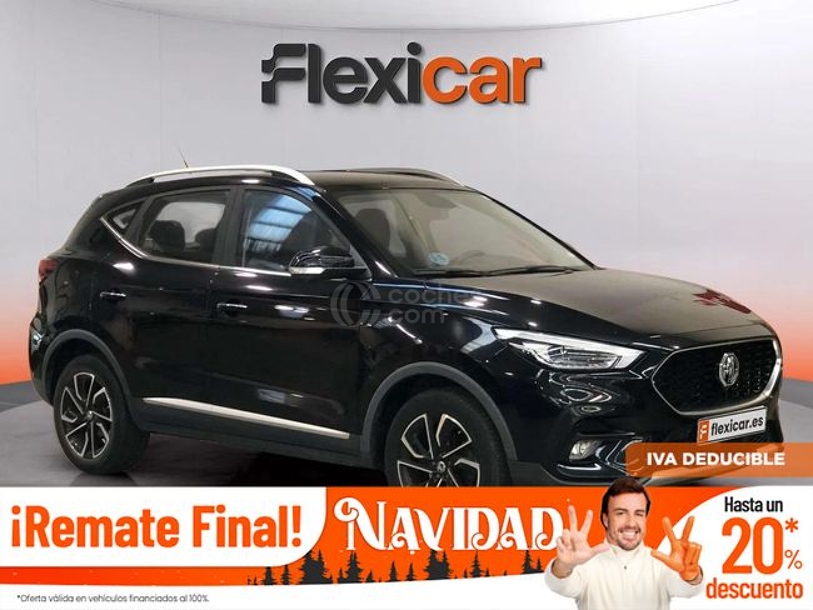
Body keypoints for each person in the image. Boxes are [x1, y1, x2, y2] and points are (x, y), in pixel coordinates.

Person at [545, 477, 703, 610]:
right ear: (606, 519)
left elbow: (688, 590)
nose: (631, 523)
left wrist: (691, 576)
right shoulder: (586, 564)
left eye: (639, 514)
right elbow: (559, 584)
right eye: (621, 513)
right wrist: (564, 565)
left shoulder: (661, 563)